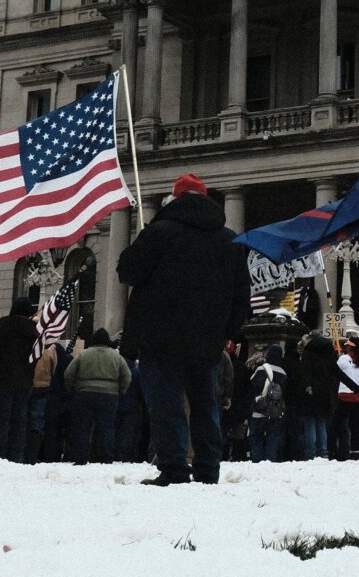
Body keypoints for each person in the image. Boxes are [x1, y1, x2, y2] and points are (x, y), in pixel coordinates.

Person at [116, 173, 251, 485]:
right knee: (206, 406)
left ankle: (175, 467)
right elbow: (241, 294)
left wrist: (142, 241)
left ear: (174, 200)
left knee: (167, 405)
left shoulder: (160, 232)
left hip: (160, 337)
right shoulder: (230, 241)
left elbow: (127, 271)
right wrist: (226, 333)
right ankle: (208, 470)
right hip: (207, 341)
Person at [0, 298, 39, 461]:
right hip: (24, 381)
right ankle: (17, 456)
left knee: (1, 420)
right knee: (20, 420)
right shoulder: (34, 332)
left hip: (0, 380)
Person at [63, 328, 129, 464]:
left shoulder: (83, 354)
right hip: (109, 396)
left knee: (83, 427)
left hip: (84, 394)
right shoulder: (116, 356)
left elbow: (69, 374)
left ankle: (81, 458)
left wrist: (74, 389)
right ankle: (106, 458)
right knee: (107, 427)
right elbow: (127, 376)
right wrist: (120, 391)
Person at [288, 331, 337, 461]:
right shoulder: (326, 355)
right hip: (324, 394)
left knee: (310, 424)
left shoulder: (307, 356)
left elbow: (304, 377)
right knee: (321, 424)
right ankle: (323, 452)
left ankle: (311, 453)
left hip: (309, 395)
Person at [331, 341, 359, 460]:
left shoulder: (343, 359)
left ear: (349, 347)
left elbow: (335, 373)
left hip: (344, 397)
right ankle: (355, 451)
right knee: (356, 426)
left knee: (336, 425)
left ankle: (333, 450)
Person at [248, 345, 287, 463]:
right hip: (275, 411)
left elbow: (252, 386)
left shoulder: (261, 369)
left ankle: (257, 459)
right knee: (273, 436)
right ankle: (270, 459)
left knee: (256, 435)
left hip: (259, 408)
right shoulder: (283, 373)